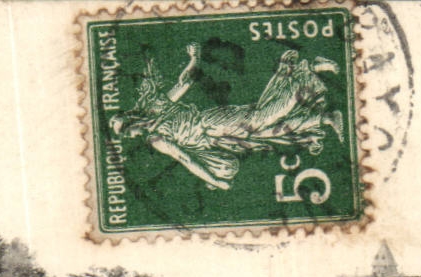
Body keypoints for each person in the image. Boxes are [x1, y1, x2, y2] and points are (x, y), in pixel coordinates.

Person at [109, 45, 347, 191]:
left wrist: (217, 181)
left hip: (212, 124)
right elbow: (185, 84)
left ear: (133, 123)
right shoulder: (155, 116)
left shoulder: (156, 134)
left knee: (261, 118)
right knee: (266, 130)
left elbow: (186, 159)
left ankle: (309, 71)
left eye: (128, 131)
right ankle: (325, 118)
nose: (131, 136)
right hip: (217, 138)